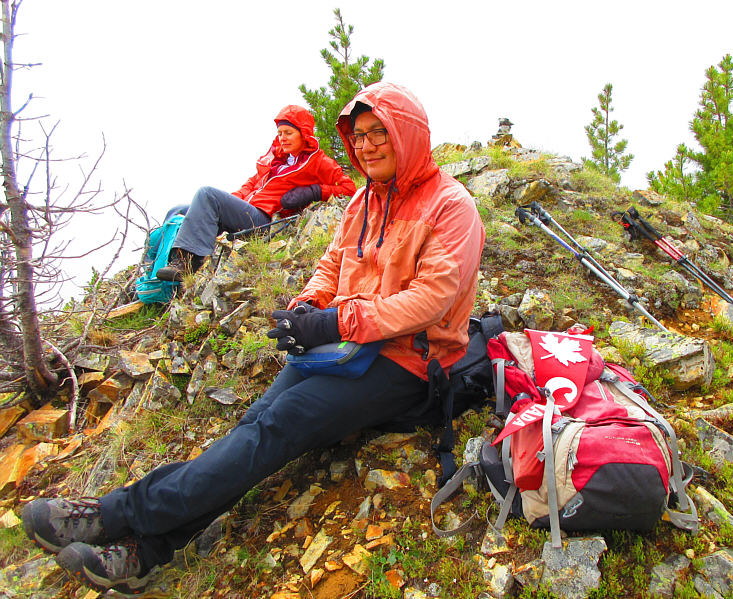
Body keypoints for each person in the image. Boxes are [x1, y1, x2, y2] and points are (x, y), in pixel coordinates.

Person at [20, 82, 485, 595]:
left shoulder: (451, 206)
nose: (368, 145)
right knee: (252, 426)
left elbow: (432, 299)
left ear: (409, 135)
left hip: (408, 362)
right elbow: (333, 265)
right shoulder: (363, 200)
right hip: (346, 348)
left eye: (380, 133)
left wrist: (334, 323)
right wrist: (306, 307)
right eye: (359, 136)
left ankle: (115, 512)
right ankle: (147, 550)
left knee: (274, 427)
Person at [155, 105, 357, 282]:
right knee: (179, 209)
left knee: (206, 194)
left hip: (263, 221)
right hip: (247, 212)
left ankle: (187, 263)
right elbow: (249, 186)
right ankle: (155, 262)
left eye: (288, 132)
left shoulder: (318, 162)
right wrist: (225, 205)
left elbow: (349, 189)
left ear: (303, 133)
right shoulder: (275, 160)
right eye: (280, 133)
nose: (282, 138)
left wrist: (313, 191)